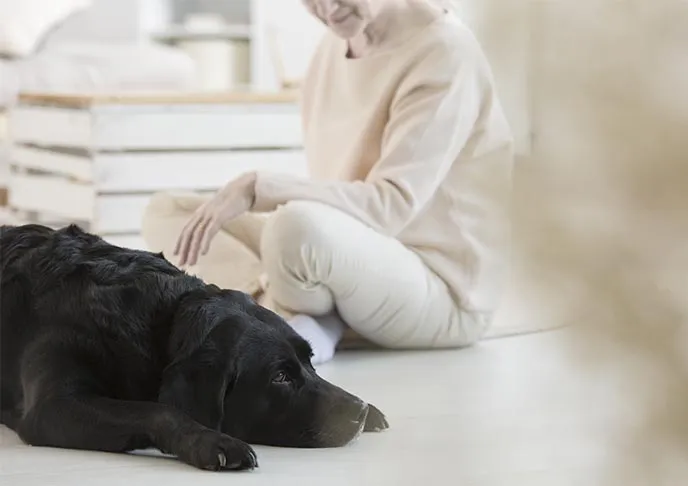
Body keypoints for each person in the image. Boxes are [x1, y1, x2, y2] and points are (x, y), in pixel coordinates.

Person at [141, 0, 514, 365]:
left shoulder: (445, 52)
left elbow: (391, 206)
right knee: (167, 213)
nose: (327, 9)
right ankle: (297, 311)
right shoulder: (335, 44)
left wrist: (259, 187)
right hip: (351, 254)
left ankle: (289, 314)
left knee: (293, 228)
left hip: (439, 289)